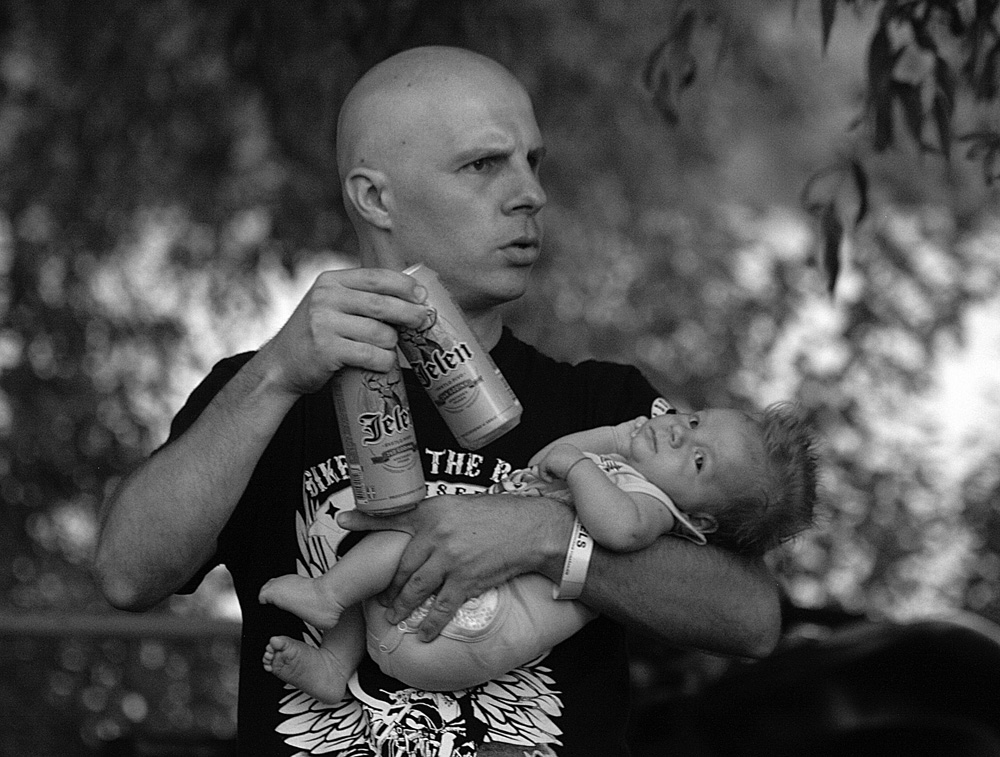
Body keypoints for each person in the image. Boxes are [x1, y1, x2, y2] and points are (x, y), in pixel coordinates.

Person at [94, 45, 783, 757]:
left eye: (533, 162)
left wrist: (546, 536)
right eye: (484, 165)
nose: (531, 194)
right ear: (375, 199)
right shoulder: (263, 393)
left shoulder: (607, 410)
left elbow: (752, 618)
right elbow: (126, 575)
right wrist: (274, 376)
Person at [258, 402, 817, 701]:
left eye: (698, 460)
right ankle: (334, 665)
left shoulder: (654, 509)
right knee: (394, 560)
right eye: (693, 421)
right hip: (441, 625)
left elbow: (616, 529)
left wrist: (581, 468)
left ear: (702, 521)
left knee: (398, 547)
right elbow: (550, 457)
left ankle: (327, 594)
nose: (679, 433)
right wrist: (614, 439)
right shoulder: (623, 473)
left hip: (472, 628)